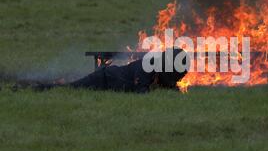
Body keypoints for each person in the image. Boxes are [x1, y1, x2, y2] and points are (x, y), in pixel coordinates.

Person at [33, 49, 189, 93]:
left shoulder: (158, 68)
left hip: (109, 79)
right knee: (70, 89)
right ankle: (39, 88)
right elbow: (141, 90)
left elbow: (169, 85)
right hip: (104, 79)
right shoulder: (147, 66)